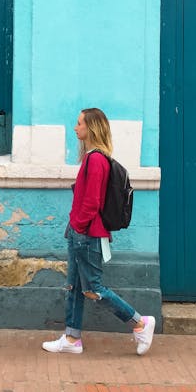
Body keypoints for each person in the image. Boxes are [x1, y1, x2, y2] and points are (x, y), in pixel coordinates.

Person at [42, 107, 156, 355]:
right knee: (74, 286)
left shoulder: (95, 160)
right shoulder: (93, 158)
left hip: (86, 234)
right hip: (80, 232)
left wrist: (79, 227)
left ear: (91, 128)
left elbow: (92, 202)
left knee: (93, 289)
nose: (75, 127)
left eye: (79, 123)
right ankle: (72, 339)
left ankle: (139, 323)